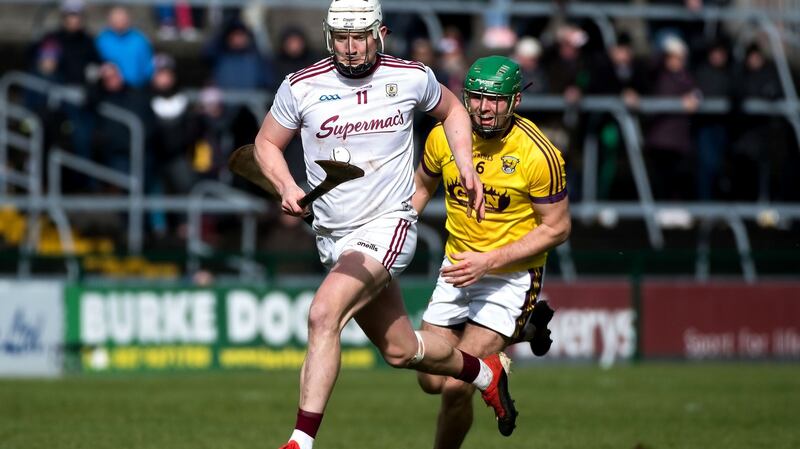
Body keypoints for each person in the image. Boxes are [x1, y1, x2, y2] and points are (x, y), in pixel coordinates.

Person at [253, 1, 516, 448]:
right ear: (328, 35)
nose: (350, 48)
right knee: (400, 350)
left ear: (380, 33)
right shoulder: (300, 86)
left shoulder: (411, 77)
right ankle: (483, 371)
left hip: (387, 224)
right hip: (333, 236)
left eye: (359, 38)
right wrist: (285, 185)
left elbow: (453, 111)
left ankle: (300, 440)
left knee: (323, 314)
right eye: (341, 38)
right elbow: (265, 143)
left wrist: (465, 164)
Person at [413, 56, 571, 449]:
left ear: (515, 101)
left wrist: (490, 260)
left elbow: (559, 227)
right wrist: (389, 231)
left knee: (454, 387)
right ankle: (527, 328)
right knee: (429, 379)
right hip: (458, 266)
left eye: (495, 100)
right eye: (476, 98)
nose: (484, 108)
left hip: (510, 277)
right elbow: (419, 189)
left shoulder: (539, 154)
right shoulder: (442, 136)